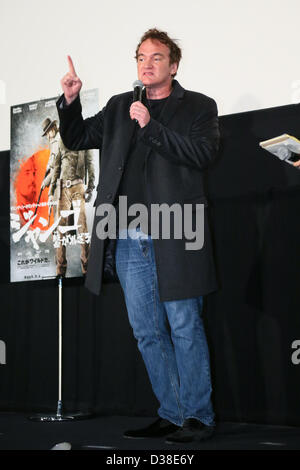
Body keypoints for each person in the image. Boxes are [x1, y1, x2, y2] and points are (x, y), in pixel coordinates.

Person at [57, 28, 220, 444]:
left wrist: (151, 127)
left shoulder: (199, 107)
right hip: (127, 232)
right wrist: (71, 102)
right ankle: (172, 412)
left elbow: (202, 154)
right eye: (141, 57)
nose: (147, 64)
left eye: (157, 57)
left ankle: (198, 416)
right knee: (146, 330)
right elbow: (75, 139)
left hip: (177, 230)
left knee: (184, 324)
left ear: (174, 65)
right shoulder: (118, 107)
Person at [43, 117, 95, 277]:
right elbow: (56, 167)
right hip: (62, 186)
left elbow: (90, 163)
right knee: (60, 229)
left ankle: (87, 268)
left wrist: (91, 186)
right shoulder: (60, 141)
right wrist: (52, 192)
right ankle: (60, 269)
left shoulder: (85, 139)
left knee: (83, 228)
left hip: (78, 186)